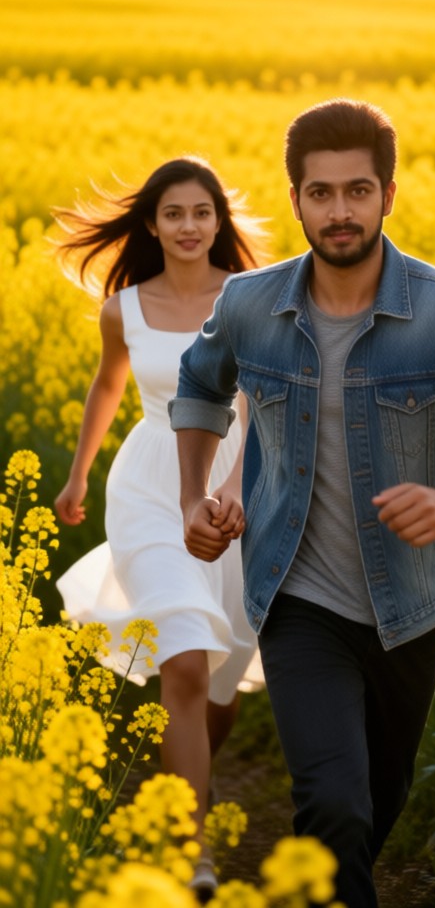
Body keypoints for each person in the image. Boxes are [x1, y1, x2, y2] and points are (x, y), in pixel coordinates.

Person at [168, 99, 435, 908]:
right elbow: (200, 389)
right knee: (334, 805)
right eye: (320, 194)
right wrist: (194, 498)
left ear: (388, 194)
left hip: (411, 605)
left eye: (356, 191)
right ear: (296, 198)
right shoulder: (249, 306)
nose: (338, 212)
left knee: (373, 805)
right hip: (295, 598)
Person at [54, 155, 265, 902]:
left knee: (221, 679)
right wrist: (79, 474)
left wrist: (235, 487)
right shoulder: (124, 308)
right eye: (173, 214)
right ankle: (194, 853)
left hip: (235, 481)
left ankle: (180, 776)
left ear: (219, 222)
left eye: (201, 212)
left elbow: (256, 404)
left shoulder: (247, 299)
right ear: (151, 224)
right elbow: (108, 384)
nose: (188, 226)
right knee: (183, 657)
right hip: (148, 486)